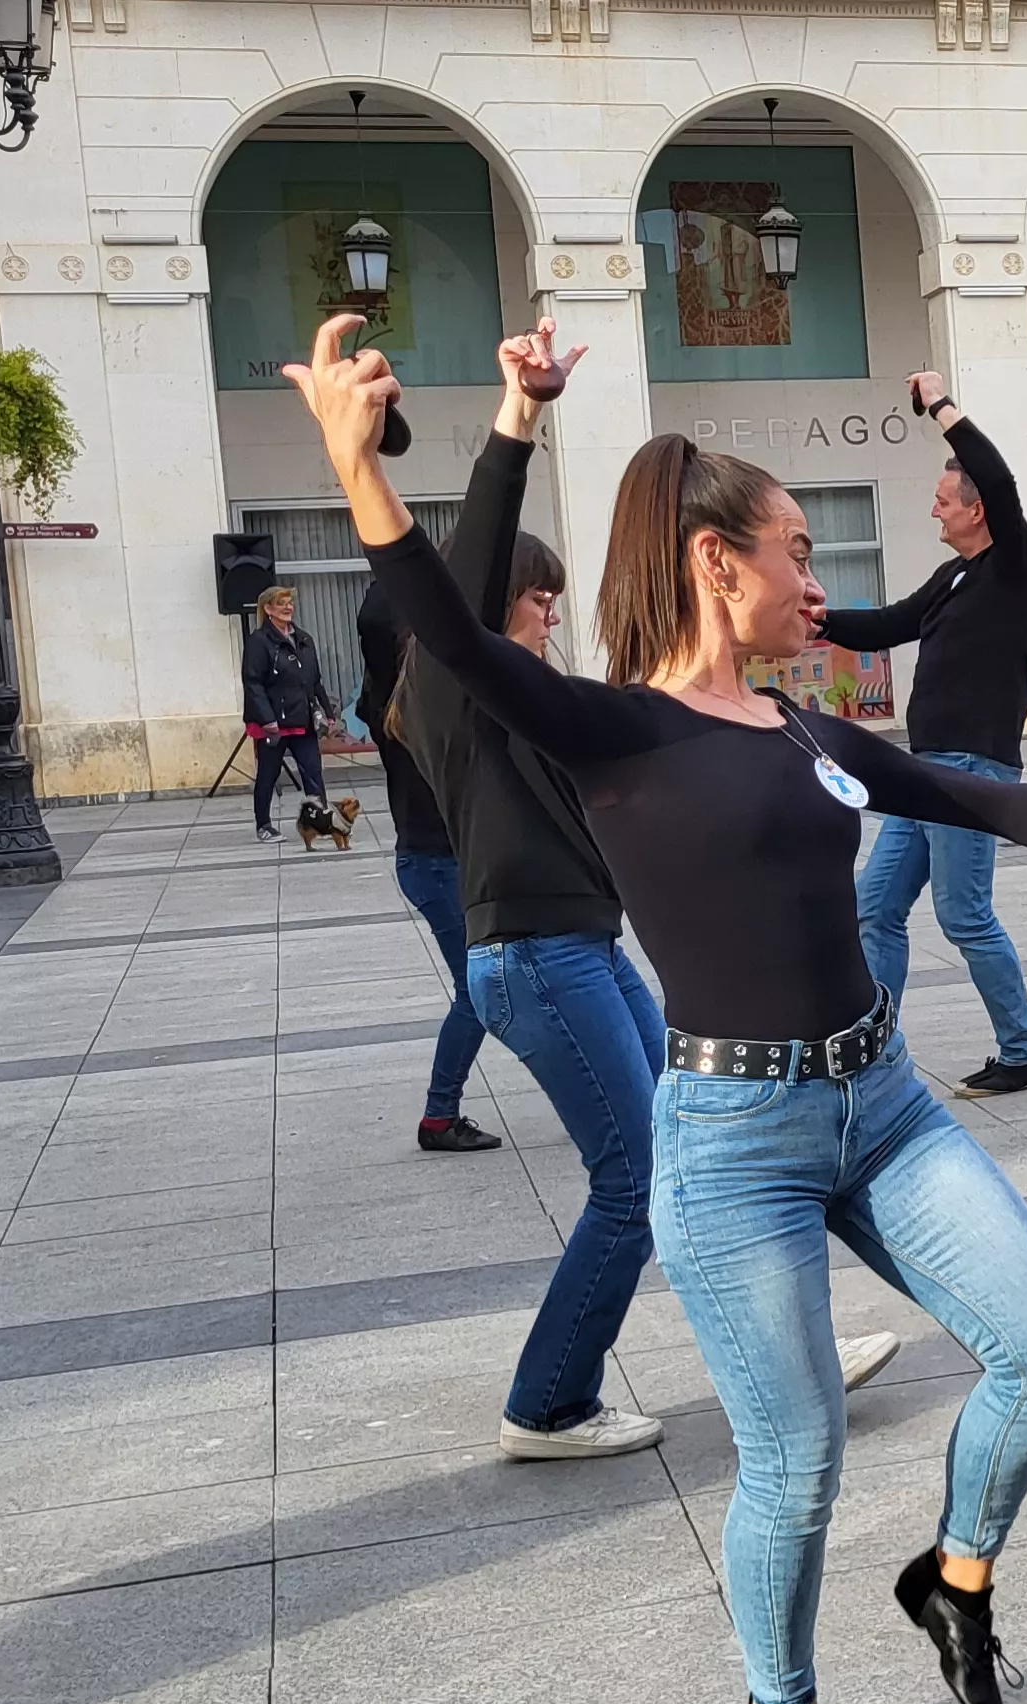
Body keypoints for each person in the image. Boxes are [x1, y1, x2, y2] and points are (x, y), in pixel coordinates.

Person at [287, 315, 1027, 1704]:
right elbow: (451, 637)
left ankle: (954, 1574)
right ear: (716, 561)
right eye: (793, 551)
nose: (815, 581)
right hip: (733, 1138)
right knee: (793, 1465)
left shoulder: (806, 727)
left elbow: (959, 789)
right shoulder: (611, 731)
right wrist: (438, 447)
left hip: (886, 1104)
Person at [368, 326, 910, 1462]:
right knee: (635, 1176)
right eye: (538, 596)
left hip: (583, 945)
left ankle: (789, 1341)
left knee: (711, 1150)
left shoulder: (553, 698)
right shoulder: (461, 691)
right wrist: (516, 421)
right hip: (531, 954)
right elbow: (451, 588)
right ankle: (549, 1400)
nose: (552, 612)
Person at [815, 375, 1027, 1099]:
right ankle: (873, 1045)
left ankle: (1023, 1051)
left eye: (943, 500)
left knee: (963, 913)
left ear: (977, 509)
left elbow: (999, 475)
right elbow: (890, 623)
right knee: (875, 907)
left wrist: (942, 406)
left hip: (971, 768)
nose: (933, 508)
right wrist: (814, 620)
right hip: (925, 771)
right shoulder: (954, 577)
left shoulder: (1017, 568)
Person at [357, 572, 510, 1156]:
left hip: (447, 860)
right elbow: (377, 626)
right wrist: (396, 567)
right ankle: (438, 1116)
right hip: (434, 863)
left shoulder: (410, 699)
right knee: (477, 992)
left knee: (496, 985)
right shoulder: (400, 704)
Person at [242, 586, 338, 841]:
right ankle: (263, 825)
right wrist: (267, 719)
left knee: (313, 772)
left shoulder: (304, 639)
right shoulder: (258, 642)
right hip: (273, 723)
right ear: (268, 609)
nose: (288, 607)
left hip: (302, 719)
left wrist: (327, 713)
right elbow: (253, 683)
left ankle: (319, 820)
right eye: (281, 603)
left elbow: (314, 680)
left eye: (290, 602)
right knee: (268, 775)